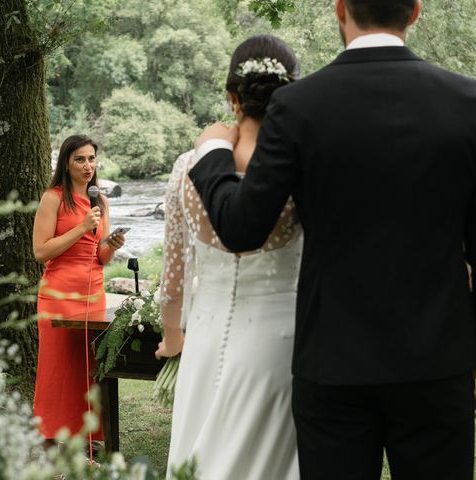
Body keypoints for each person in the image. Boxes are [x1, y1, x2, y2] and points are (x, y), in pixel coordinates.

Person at [189, 1, 476, 479]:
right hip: (438, 362)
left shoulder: (298, 105)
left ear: (340, 9)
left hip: (333, 364)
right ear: (416, 12)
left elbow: (241, 228)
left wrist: (214, 152)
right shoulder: (467, 102)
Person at [155, 35, 302, 479]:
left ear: (232, 97)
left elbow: (175, 269)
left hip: (204, 337)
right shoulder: (298, 165)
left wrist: (172, 337)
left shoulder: (189, 166)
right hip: (279, 343)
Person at [32, 134, 125, 444]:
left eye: (91, 159)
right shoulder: (53, 197)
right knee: (58, 367)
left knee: (89, 366)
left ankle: (88, 435)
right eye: (80, 159)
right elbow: (41, 251)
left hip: (91, 291)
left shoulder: (101, 201)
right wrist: (82, 227)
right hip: (59, 292)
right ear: (67, 163)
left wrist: (111, 245)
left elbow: (99, 255)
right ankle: (52, 434)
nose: (88, 166)